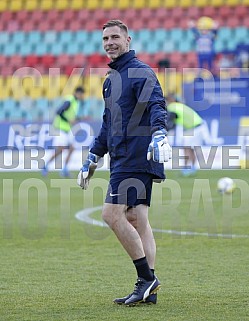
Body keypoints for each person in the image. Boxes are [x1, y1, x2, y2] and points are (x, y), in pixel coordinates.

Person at [77, 20, 171, 306]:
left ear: (128, 40)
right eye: (105, 38)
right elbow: (108, 124)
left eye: (115, 37)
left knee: (111, 214)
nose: (109, 42)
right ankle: (149, 290)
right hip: (122, 158)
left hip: (137, 155)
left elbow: (157, 104)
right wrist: (93, 156)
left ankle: (146, 278)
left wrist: (159, 133)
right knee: (137, 219)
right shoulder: (110, 81)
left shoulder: (141, 72)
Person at [42, 86, 84, 177]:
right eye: (81, 94)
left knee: (72, 148)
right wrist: (67, 120)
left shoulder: (75, 102)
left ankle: (64, 169)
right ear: (78, 93)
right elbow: (59, 111)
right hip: (60, 128)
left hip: (67, 129)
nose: (82, 97)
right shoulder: (70, 100)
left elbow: (69, 116)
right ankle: (46, 166)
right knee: (60, 149)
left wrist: (77, 119)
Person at [166, 93, 210, 176]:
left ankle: (186, 169)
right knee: (191, 149)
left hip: (193, 129)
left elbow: (169, 123)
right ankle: (192, 168)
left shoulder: (171, 107)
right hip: (198, 126)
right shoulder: (179, 106)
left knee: (186, 148)